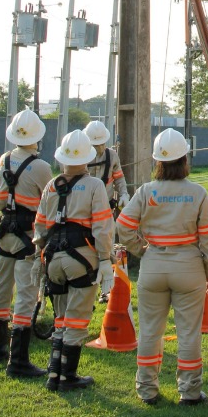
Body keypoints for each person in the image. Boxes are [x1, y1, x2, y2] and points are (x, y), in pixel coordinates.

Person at [117, 128, 208, 406]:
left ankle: (147, 389)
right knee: (189, 332)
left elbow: (124, 226)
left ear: (157, 161)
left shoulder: (146, 191)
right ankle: (190, 391)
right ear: (184, 159)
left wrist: (141, 250)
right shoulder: (197, 193)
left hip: (153, 267)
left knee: (150, 331)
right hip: (189, 268)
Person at [32, 129, 115, 392]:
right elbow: (102, 227)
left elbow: (41, 226)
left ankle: (54, 373)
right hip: (82, 260)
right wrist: (105, 260)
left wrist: (39, 257)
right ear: (87, 158)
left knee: (61, 319)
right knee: (77, 321)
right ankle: (68, 377)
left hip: (53, 259)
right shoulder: (94, 186)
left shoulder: (51, 185)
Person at [0, 109, 53, 377]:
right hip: (29, 236)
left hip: (4, 233)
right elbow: (50, 202)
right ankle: (18, 361)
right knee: (26, 294)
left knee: (1, 288)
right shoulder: (41, 167)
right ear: (37, 137)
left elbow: (0, 201)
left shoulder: (4, 160)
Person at [83, 120, 129, 302]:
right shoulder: (81, 156)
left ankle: (106, 290)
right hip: (83, 213)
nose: (98, 147)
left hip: (105, 210)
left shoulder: (112, 156)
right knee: (85, 248)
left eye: (100, 143)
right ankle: (87, 286)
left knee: (107, 248)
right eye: (94, 144)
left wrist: (124, 194)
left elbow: (119, 179)